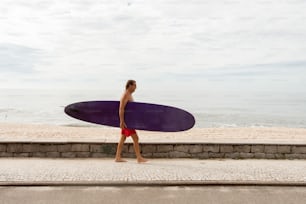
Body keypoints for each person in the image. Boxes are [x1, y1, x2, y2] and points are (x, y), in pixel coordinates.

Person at [115, 80, 148, 163]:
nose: (135, 88)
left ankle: (117, 157)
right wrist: (122, 121)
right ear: (129, 85)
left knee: (123, 138)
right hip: (127, 122)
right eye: (134, 86)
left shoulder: (129, 94)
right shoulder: (126, 95)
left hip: (128, 121)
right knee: (136, 138)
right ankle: (139, 158)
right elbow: (121, 108)